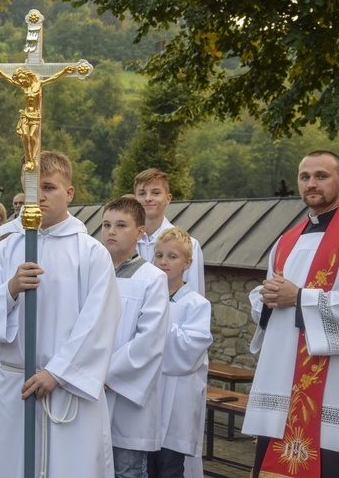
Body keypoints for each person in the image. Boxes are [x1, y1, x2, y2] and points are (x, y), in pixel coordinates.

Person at [0, 151, 122, 478]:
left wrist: (58, 372)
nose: (38, 196)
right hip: (17, 384)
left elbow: (99, 322)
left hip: (67, 390)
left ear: (69, 193)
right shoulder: (7, 248)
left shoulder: (91, 254)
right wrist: (10, 289)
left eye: (49, 188)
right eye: (32, 188)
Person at [243, 151, 339, 478]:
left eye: (321, 176)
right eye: (305, 176)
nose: (311, 183)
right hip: (282, 383)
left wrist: (300, 297)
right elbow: (272, 293)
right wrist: (265, 298)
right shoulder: (286, 240)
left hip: (332, 384)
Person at [101, 197, 170, 478]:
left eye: (120, 225)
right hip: (88, 389)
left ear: (140, 232)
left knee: (127, 469)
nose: (111, 232)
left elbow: (150, 341)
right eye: (106, 225)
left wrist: (103, 374)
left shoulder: (152, 278)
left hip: (124, 393)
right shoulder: (93, 272)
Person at [150, 228, 213, 478]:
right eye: (158, 255)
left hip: (177, 401)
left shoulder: (197, 305)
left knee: (170, 467)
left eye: (172, 256)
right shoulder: (148, 298)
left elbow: (187, 353)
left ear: (188, 263)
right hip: (149, 398)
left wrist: (158, 320)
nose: (164, 261)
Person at [134, 169, 205, 296]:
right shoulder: (126, 243)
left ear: (168, 199)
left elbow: (194, 297)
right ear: (135, 199)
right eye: (142, 193)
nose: (148, 198)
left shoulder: (191, 245)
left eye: (155, 193)